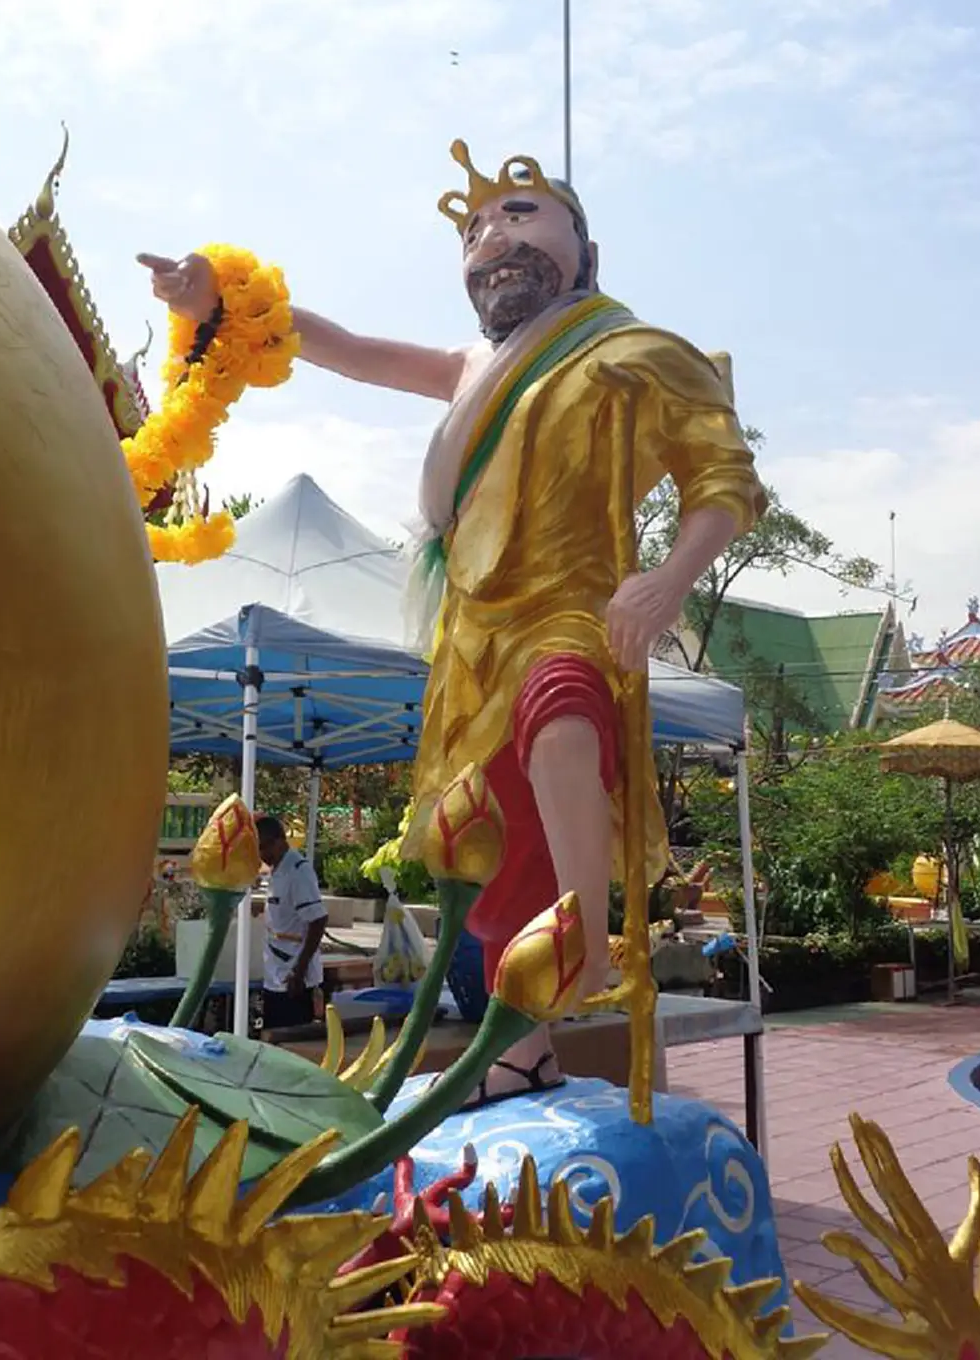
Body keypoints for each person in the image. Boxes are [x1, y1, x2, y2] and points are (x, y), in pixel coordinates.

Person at [139, 140, 765, 1101]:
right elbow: (344, 348)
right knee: (487, 835)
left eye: (520, 215)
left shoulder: (636, 354)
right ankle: (526, 1047)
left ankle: (586, 947)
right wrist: (217, 302)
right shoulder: (473, 364)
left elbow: (721, 480)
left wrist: (671, 581)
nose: (490, 238)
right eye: (474, 230)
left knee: (563, 721)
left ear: (585, 251)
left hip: (576, 608)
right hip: (473, 634)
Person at [255, 814, 328, 1035]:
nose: (261, 855)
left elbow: (317, 920)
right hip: (275, 975)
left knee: (291, 1043)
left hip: (293, 979)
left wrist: (300, 969)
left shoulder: (298, 872)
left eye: (263, 847)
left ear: (279, 841)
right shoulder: (277, 871)